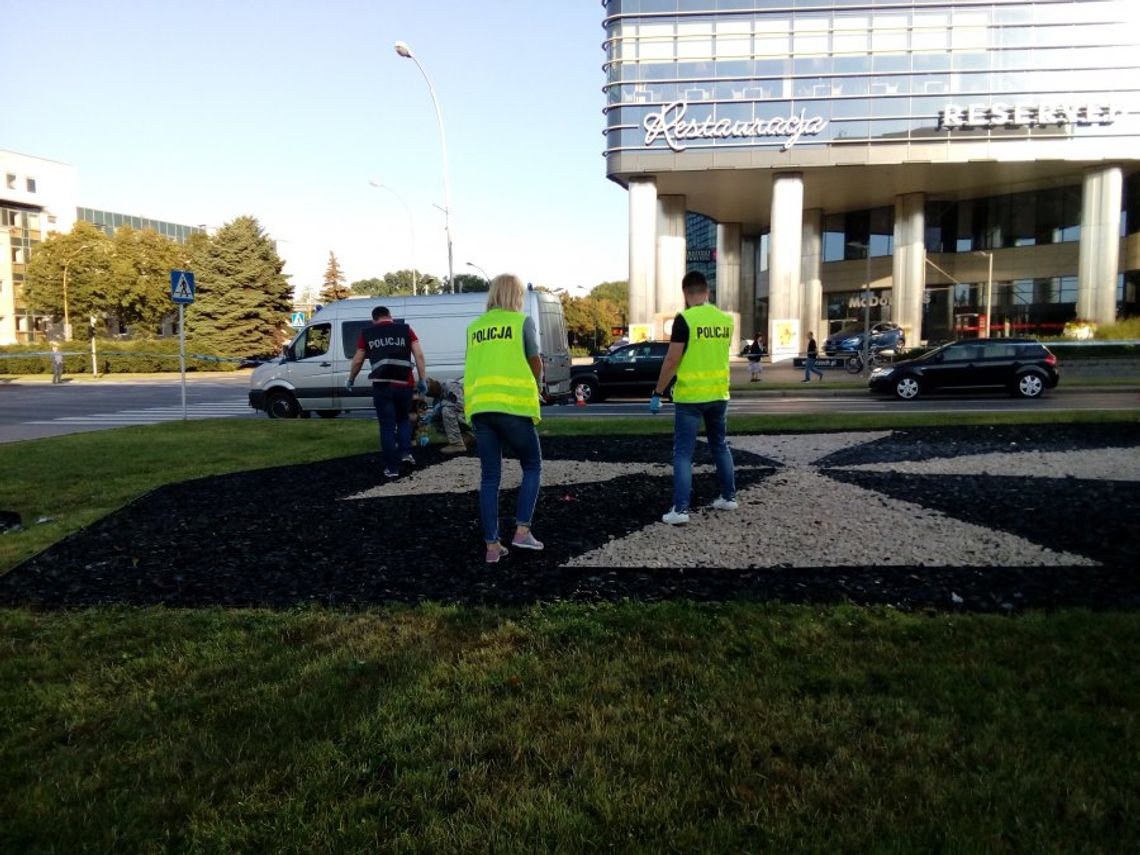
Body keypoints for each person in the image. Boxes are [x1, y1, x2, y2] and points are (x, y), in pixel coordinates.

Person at [465, 274, 544, 563]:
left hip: (481, 409)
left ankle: (491, 547)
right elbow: (535, 361)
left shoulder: (474, 328)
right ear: (516, 296)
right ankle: (522, 531)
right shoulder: (520, 322)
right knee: (532, 466)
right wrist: (538, 385)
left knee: (489, 478)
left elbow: (472, 366)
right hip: (513, 408)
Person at [648, 270, 737, 525]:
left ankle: (680, 510)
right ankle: (729, 497)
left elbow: (673, 360)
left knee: (683, 453)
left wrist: (657, 392)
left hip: (690, 397)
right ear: (707, 292)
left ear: (685, 294)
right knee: (719, 445)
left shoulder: (684, 319)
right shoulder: (725, 320)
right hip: (719, 394)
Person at [346, 305, 428, 478]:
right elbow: (419, 355)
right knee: (403, 420)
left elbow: (357, 361)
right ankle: (406, 454)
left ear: (374, 319)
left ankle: (392, 469)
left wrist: (351, 378)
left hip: (382, 386)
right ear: (390, 316)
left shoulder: (367, 333)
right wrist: (423, 379)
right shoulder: (406, 330)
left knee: (387, 427)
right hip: (404, 384)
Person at [425, 377, 468, 454]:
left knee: (446, 410)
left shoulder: (450, 385)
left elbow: (461, 405)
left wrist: (443, 405)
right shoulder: (441, 395)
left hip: (471, 414)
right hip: (465, 415)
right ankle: (464, 436)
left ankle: (457, 444)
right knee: (436, 416)